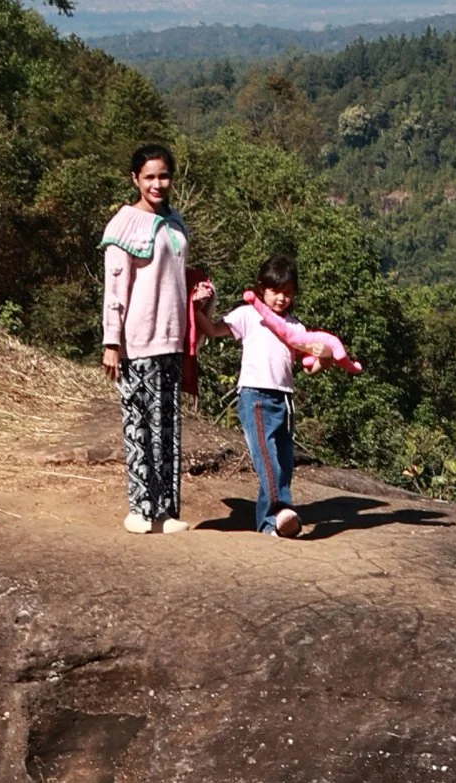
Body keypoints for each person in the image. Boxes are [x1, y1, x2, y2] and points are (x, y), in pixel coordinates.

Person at [100, 143, 210, 535]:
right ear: (135, 179)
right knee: (139, 424)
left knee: (168, 428)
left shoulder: (176, 222)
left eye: (163, 175)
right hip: (138, 340)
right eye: (149, 176)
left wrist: (199, 298)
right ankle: (139, 508)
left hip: (171, 340)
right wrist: (111, 342)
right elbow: (116, 288)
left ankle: (165, 511)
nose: (157, 183)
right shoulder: (124, 225)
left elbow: (175, 278)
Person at [219, 252, 319, 538]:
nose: (280, 298)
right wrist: (200, 309)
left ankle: (268, 525)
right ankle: (281, 510)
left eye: (287, 292)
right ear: (261, 288)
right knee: (267, 459)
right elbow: (215, 330)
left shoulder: (296, 327)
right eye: (275, 290)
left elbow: (307, 359)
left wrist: (319, 359)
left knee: (285, 463)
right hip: (255, 397)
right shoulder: (248, 314)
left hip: (285, 399)